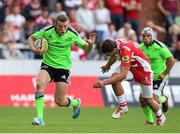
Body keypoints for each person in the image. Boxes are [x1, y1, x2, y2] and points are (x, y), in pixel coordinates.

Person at [27, 14, 96, 126]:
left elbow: (86, 49)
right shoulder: (47, 31)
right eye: (60, 26)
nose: (63, 29)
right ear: (55, 24)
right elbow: (31, 38)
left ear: (68, 24)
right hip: (48, 65)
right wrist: (34, 49)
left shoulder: (72, 34)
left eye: (65, 26)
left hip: (63, 69)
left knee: (59, 101)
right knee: (39, 85)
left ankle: (75, 103)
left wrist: (91, 45)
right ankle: (40, 119)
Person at [93, 38, 166, 126]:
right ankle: (123, 107)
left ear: (114, 49)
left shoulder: (125, 50)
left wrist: (104, 82)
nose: (109, 56)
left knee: (148, 100)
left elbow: (123, 74)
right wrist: (108, 65)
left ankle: (160, 116)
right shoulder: (115, 44)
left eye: (109, 54)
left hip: (143, 70)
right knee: (114, 78)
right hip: (131, 66)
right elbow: (113, 56)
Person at [139, 27, 176, 124]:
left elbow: (172, 60)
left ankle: (164, 99)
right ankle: (150, 119)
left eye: (148, 36)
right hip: (147, 77)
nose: (145, 38)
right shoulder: (140, 47)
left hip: (159, 77)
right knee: (142, 99)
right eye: (144, 36)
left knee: (153, 100)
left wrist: (164, 73)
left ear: (152, 37)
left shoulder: (160, 46)